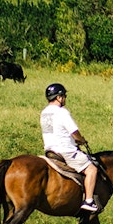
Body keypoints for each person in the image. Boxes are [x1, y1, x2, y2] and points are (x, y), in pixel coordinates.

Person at [40, 82, 99, 213]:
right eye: (64, 95)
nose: (65, 98)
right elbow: (74, 133)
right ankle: (89, 200)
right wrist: (81, 140)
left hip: (50, 150)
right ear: (59, 97)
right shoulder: (62, 112)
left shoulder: (44, 113)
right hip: (65, 150)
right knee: (92, 169)